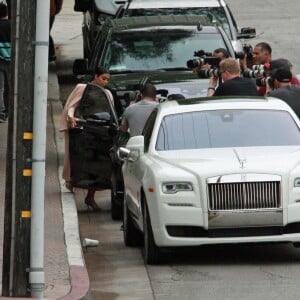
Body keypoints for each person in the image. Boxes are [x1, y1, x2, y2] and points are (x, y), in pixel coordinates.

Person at [60, 66, 113, 211]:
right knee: (77, 160)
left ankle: (90, 196)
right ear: (95, 76)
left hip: (99, 131)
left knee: (96, 165)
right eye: (103, 78)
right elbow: (72, 105)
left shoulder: (107, 93)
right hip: (81, 129)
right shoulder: (82, 88)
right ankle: (72, 182)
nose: (105, 82)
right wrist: (71, 117)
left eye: (108, 79)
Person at [0, 1, 10, 123]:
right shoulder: (12, 25)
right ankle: (8, 111)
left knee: (0, 88)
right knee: (9, 87)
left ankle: (1, 113)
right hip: (11, 61)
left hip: (0, 60)